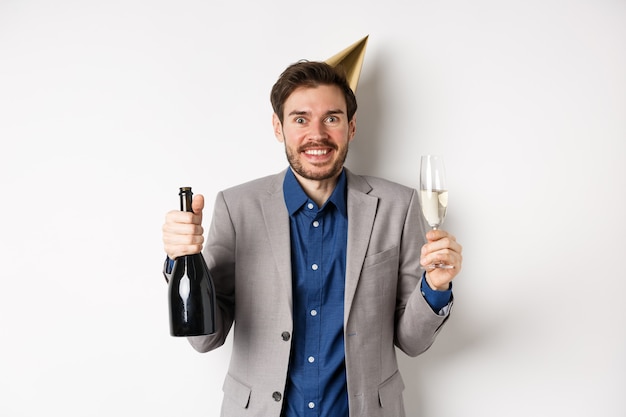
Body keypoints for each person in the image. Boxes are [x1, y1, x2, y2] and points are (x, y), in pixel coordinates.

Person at [161, 60, 463, 417]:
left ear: (351, 127)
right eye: (300, 119)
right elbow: (205, 339)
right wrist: (182, 260)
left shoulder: (398, 205)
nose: (316, 134)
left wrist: (435, 288)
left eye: (331, 118)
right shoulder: (236, 206)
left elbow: (412, 341)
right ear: (278, 127)